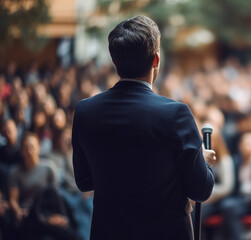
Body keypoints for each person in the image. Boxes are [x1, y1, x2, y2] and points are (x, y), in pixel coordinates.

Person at [72, 16, 216, 240]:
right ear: (156, 59)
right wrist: (202, 160)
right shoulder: (175, 114)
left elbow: (84, 182)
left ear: (114, 59)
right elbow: (201, 190)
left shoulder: (85, 112)